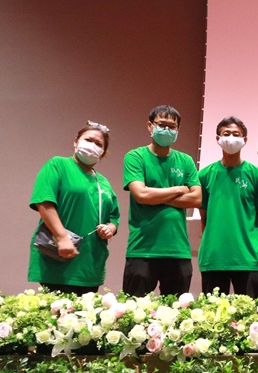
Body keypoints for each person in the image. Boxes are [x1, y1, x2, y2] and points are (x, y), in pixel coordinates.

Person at [28, 121, 120, 295]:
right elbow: (44, 203)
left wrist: (110, 228)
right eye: (88, 140)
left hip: (90, 266)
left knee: (86, 312)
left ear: (103, 153)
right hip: (58, 259)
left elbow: (114, 218)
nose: (92, 146)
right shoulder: (58, 165)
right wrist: (62, 238)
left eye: (99, 144)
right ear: (76, 141)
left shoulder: (104, 182)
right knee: (59, 311)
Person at [122, 105, 201, 296]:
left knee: (177, 312)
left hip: (178, 251)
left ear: (177, 130)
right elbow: (141, 195)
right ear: (150, 126)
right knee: (134, 310)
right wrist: (179, 189)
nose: (166, 130)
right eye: (161, 124)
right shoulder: (135, 157)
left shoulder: (185, 160)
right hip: (142, 250)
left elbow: (196, 199)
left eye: (172, 126)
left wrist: (155, 196)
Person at [198, 117, 258, 297]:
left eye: (236, 134)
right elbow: (204, 215)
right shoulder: (204, 175)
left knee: (250, 312)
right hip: (214, 257)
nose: (231, 138)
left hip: (248, 257)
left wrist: (243, 229)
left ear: (244, 140)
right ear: (218, 138)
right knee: (211, 312)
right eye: (226, 133)